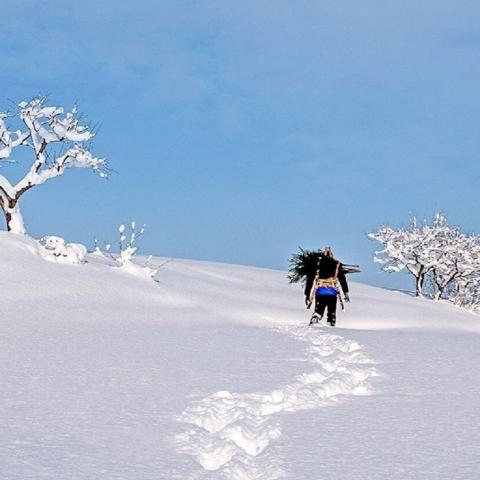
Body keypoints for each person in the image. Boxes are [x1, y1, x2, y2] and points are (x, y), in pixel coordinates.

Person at [305, 247, 349, 326]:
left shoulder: (317, 264)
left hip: (320, 291)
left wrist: (307, 294)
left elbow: (310, 279)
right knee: (331, 312)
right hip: (332, 292)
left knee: (319, 310)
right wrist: (346, 292)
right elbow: (342, 280)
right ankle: (331, 323)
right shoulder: (337, 265)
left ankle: (316, 317)